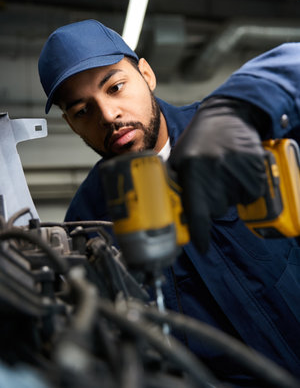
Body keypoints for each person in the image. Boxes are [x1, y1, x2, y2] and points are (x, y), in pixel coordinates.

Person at [38, 19, 300, 386]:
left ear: (146, 73)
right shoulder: (87, 222)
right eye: (83, 111)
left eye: (115, 87)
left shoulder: (233, 131)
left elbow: (294, 61)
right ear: (71, 123)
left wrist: (240, 109)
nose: (108, 115)